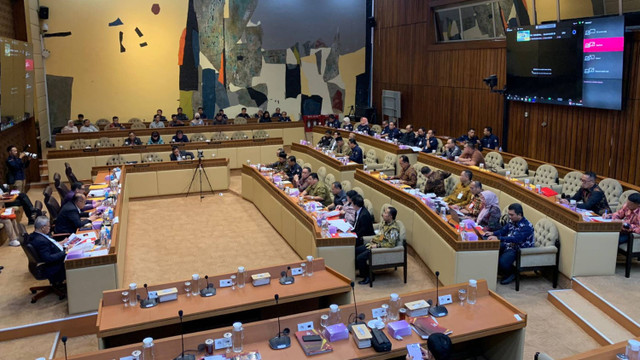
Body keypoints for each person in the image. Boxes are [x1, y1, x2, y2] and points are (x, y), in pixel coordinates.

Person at [486, 203, 535, 285]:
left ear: (519, 214)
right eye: (509, 215)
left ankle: (512, 273)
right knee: (492, 251)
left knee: (502, 262)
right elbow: (503, 231)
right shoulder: (512, 221)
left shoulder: (527, 226)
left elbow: (516, 239)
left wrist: (498, 238)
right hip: (509, 244)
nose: (510, 217)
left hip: (519, 248)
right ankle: (501, 272)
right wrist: (492, 233)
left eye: (512, 215)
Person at [355, 207, 400, 285]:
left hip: (381, 249)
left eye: (385, 213)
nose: (383, 214)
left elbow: (391, 244)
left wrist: (378, 245)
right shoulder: (385, 223)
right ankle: (363, 272)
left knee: (360, 258)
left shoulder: (393, 229)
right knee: (356, 250)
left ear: (391, 216)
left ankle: (369, 276)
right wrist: (376, 240)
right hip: (374, 244)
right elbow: (382, 235)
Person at [29, 216, 68, 285]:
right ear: (43, 227)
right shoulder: (41, 241)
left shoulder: (35, 235)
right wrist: (65, 252)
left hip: (56, 254)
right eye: (49, 226)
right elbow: (48, 258)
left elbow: (49, 245)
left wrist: (61, 243)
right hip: (54, 266)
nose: (50, 228)